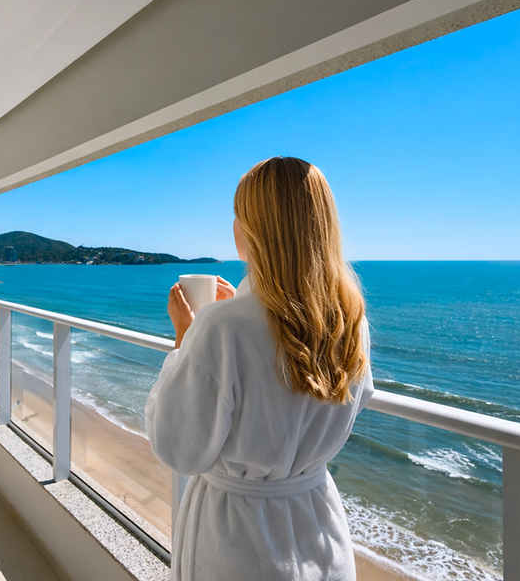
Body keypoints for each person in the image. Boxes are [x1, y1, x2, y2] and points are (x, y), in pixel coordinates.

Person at [145, 157, 373, 581]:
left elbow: (177, 448)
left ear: (246, 231)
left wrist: (185, 341)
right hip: (320, 531)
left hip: (238, 546)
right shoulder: (350, 322)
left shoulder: (222, 328)